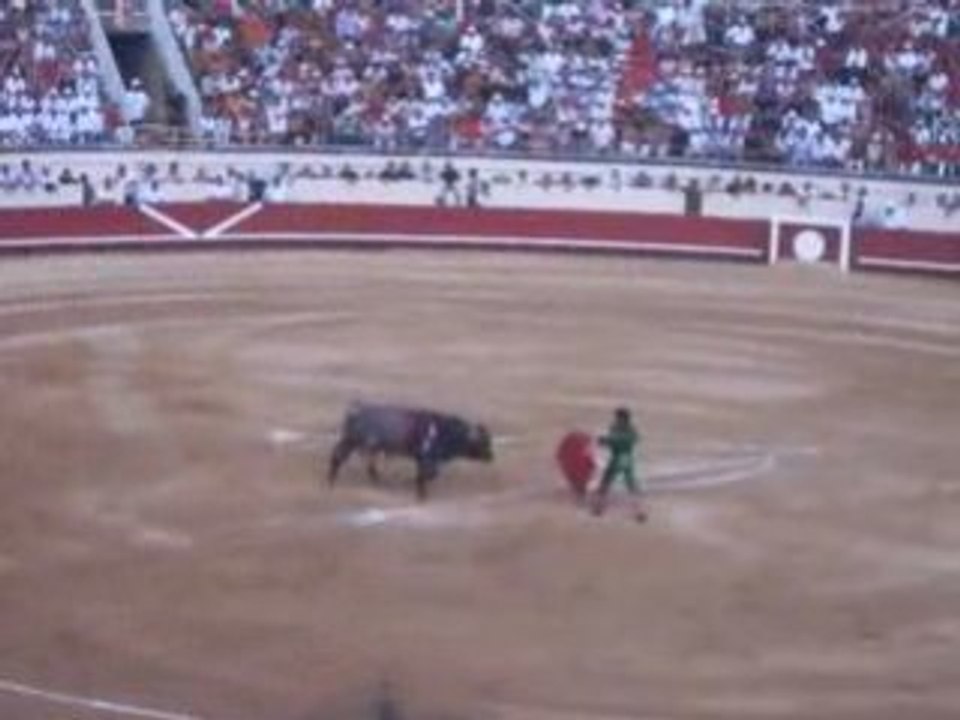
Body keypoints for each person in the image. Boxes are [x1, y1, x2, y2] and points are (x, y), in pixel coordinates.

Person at [592, 407, 646, 521]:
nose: (617, 419)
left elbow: (628, 440)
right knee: (609, 481)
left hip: (623, 457)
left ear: (623, 418)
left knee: (626, 483)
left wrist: (607, 440)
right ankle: (599, 507)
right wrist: (604, 442)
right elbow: (612, 442)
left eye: (618, 417)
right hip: (618, 457)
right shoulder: (616, 428)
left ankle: (638, 511)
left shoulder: (629, 430)